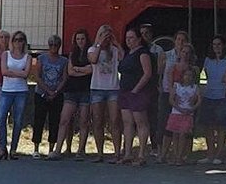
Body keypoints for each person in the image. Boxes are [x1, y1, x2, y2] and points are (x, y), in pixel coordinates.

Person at [116, 27, 154, 165]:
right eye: (127, 38)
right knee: (127, 123)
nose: (129, 41)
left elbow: (147, 73)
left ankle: (142, 154)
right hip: (125, 91)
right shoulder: (128, 54)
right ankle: (127, 153)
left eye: (132, 38)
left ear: (139, 39)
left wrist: (136, 89)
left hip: (138, 92)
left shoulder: (143, 53)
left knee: (141, 122)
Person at [53, 29, 92, 160]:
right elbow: (70, 72)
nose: (80, 41)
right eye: (78, 39)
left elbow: (91, 69)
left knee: (83, 121)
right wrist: (83, 70)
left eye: (82, 39)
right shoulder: (72, 54)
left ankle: (81, 150)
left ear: (86, 40)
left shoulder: (91, 54)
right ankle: (58, 149)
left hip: (86, 90)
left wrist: (79, 69)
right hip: (71, 90)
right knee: (64, 119)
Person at [88, 24, 122, 162]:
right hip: (97, 88)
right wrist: (99, 44)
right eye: (103, 34)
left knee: (114, 120)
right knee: (97, 121)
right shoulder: (92, 49)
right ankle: (100, 153)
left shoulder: (114, 50)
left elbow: (122, 57)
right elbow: (93, 60)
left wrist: (115, 42)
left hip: (113, 88)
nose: (106, 38)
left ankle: (117, 152)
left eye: (108, 35)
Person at [0, 30, 31, 159]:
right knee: (0, 117)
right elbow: (4, 71)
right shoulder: (6, 54)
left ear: (24, 42)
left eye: (20, 40)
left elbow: (26, 74)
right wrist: (19, 72)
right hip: (7, 90)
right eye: (15, 40)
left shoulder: (27, 57)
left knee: (18, 120)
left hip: (21, 91)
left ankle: (14, 148)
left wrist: (13, 72)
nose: (18, 42)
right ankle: (2, 147)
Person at [31, 34, 68, 158]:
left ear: (59, 46)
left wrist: (56, 92)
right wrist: (47, 90)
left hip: (57, 95)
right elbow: (37, 75)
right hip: (41, 93)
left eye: (56, 45)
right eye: (51, 44)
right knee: (39, 120)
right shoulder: (41, 58)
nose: (53, 47)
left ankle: (52, 149)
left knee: (54, 121)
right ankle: (36, 148)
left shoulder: (64, 61)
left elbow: (64, 78)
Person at [155, 30, 190, 155]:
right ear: (174, 41)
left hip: (183, 95)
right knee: (164, 121)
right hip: (167, 91)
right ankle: (160, 151)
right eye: (178, 39)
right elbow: (159, 73)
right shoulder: (166, 55)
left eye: (183, 40)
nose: (180, 42)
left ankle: (180, 153)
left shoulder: (188, 57)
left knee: (181, 123)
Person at [198, 35, 226, 165]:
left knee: (221, 126)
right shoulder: (207, 60)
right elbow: (202, 76)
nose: (216, 47)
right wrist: (202, 89)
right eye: (214, 44)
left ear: (223, 46)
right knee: (208, 126)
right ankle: (210, 154)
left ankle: (219, 154)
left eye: (219, 44)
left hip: (222, 95)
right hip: (208, 95)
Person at [164, 65, 201, 165]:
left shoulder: (195, 88)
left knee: (183, 134)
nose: (188, 77)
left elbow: (199, 100)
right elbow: (171, 99)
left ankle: (180, 156)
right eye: (186, 75)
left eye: (190, 75)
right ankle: (175, 155)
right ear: (182, 76)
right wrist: (178, 108)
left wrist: (192, 109)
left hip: (188, 114)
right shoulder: (177, 86)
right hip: (176, 113)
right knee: (175, 134)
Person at [140, 23, 165, 151]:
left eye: (146, 33)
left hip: (152, 85)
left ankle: (155, 145)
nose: (144, 36)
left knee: (153, 116)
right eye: (142, 34)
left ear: (151, 35)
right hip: (139, 86)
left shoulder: (157, 50)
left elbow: (160, 69)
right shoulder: (136, 49)